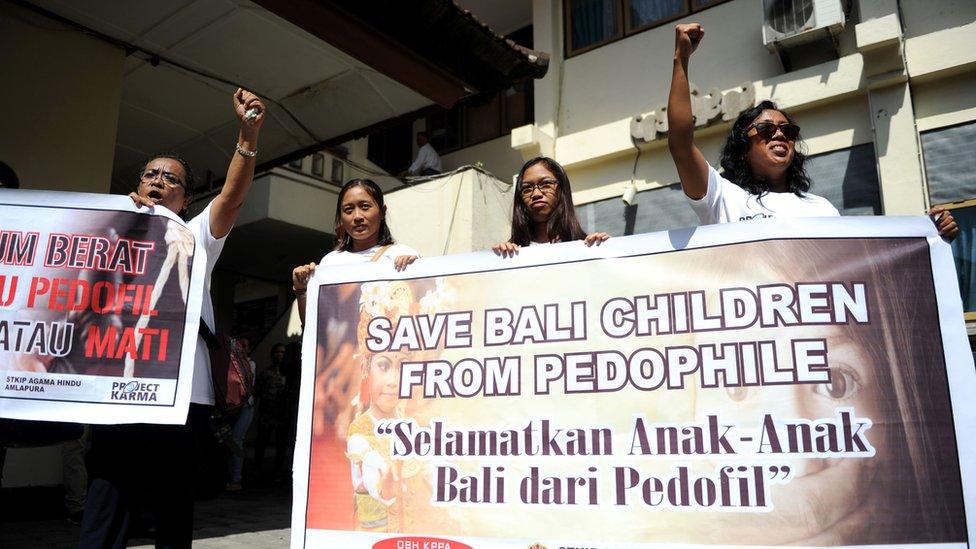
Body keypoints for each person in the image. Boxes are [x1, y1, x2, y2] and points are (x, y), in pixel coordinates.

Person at [78, 87, 266, 549]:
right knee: (107, 502)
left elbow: (233, 197)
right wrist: (121, 222)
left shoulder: (195, 234)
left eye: (171, 179)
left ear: (185, 201)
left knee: (173, 508)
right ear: (137, 185)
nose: (158, 182)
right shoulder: (109, 232)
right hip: (115, 390)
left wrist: (247, 135)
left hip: (182, 399)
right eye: (150, 175)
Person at [667, 23, 959, 239]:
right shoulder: (721, 198)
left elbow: (866, 266)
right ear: (743, 145)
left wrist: (929, 236)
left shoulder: (822, 209)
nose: (780, 135)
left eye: (788, 130)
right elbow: (680, 144)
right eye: (766, 129)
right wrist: (681, 60)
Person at [292, 178, 420, 324]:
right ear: (341, 217)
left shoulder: (403, 254)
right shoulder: (330, 262)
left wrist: (416, 273)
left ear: (382, 211)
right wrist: (301, 289)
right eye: (348, 210)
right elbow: (314, 326)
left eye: (365, 206)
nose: (357, 216)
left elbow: (419, 311)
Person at [492, 156, 610, 257]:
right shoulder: (509, 255)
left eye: (546, 184)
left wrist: (606, 249)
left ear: (562, 190)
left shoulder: (587, 248)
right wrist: (499, 259)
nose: (536, 194)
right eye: (527, 188)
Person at [253, 343, 288, 481]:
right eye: (277, 352)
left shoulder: (291, 374)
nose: (279, 355)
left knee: (281, 445)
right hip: (266, 414)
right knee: (261, 443)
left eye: (282, 352)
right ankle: (256, 469)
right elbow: (258, 392)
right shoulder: (265, 373)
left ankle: (278, 471)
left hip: (282, 415)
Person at [225, 339, 256, 492]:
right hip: (233, 407)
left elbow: (247, 387)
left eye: (245, 345)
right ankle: (232, 477)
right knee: (231, 441)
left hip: (243, 407)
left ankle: (236, 479)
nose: (242, 348)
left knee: (236, 440)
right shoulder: (231, 363)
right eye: (239, 345)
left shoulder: (249, 365)